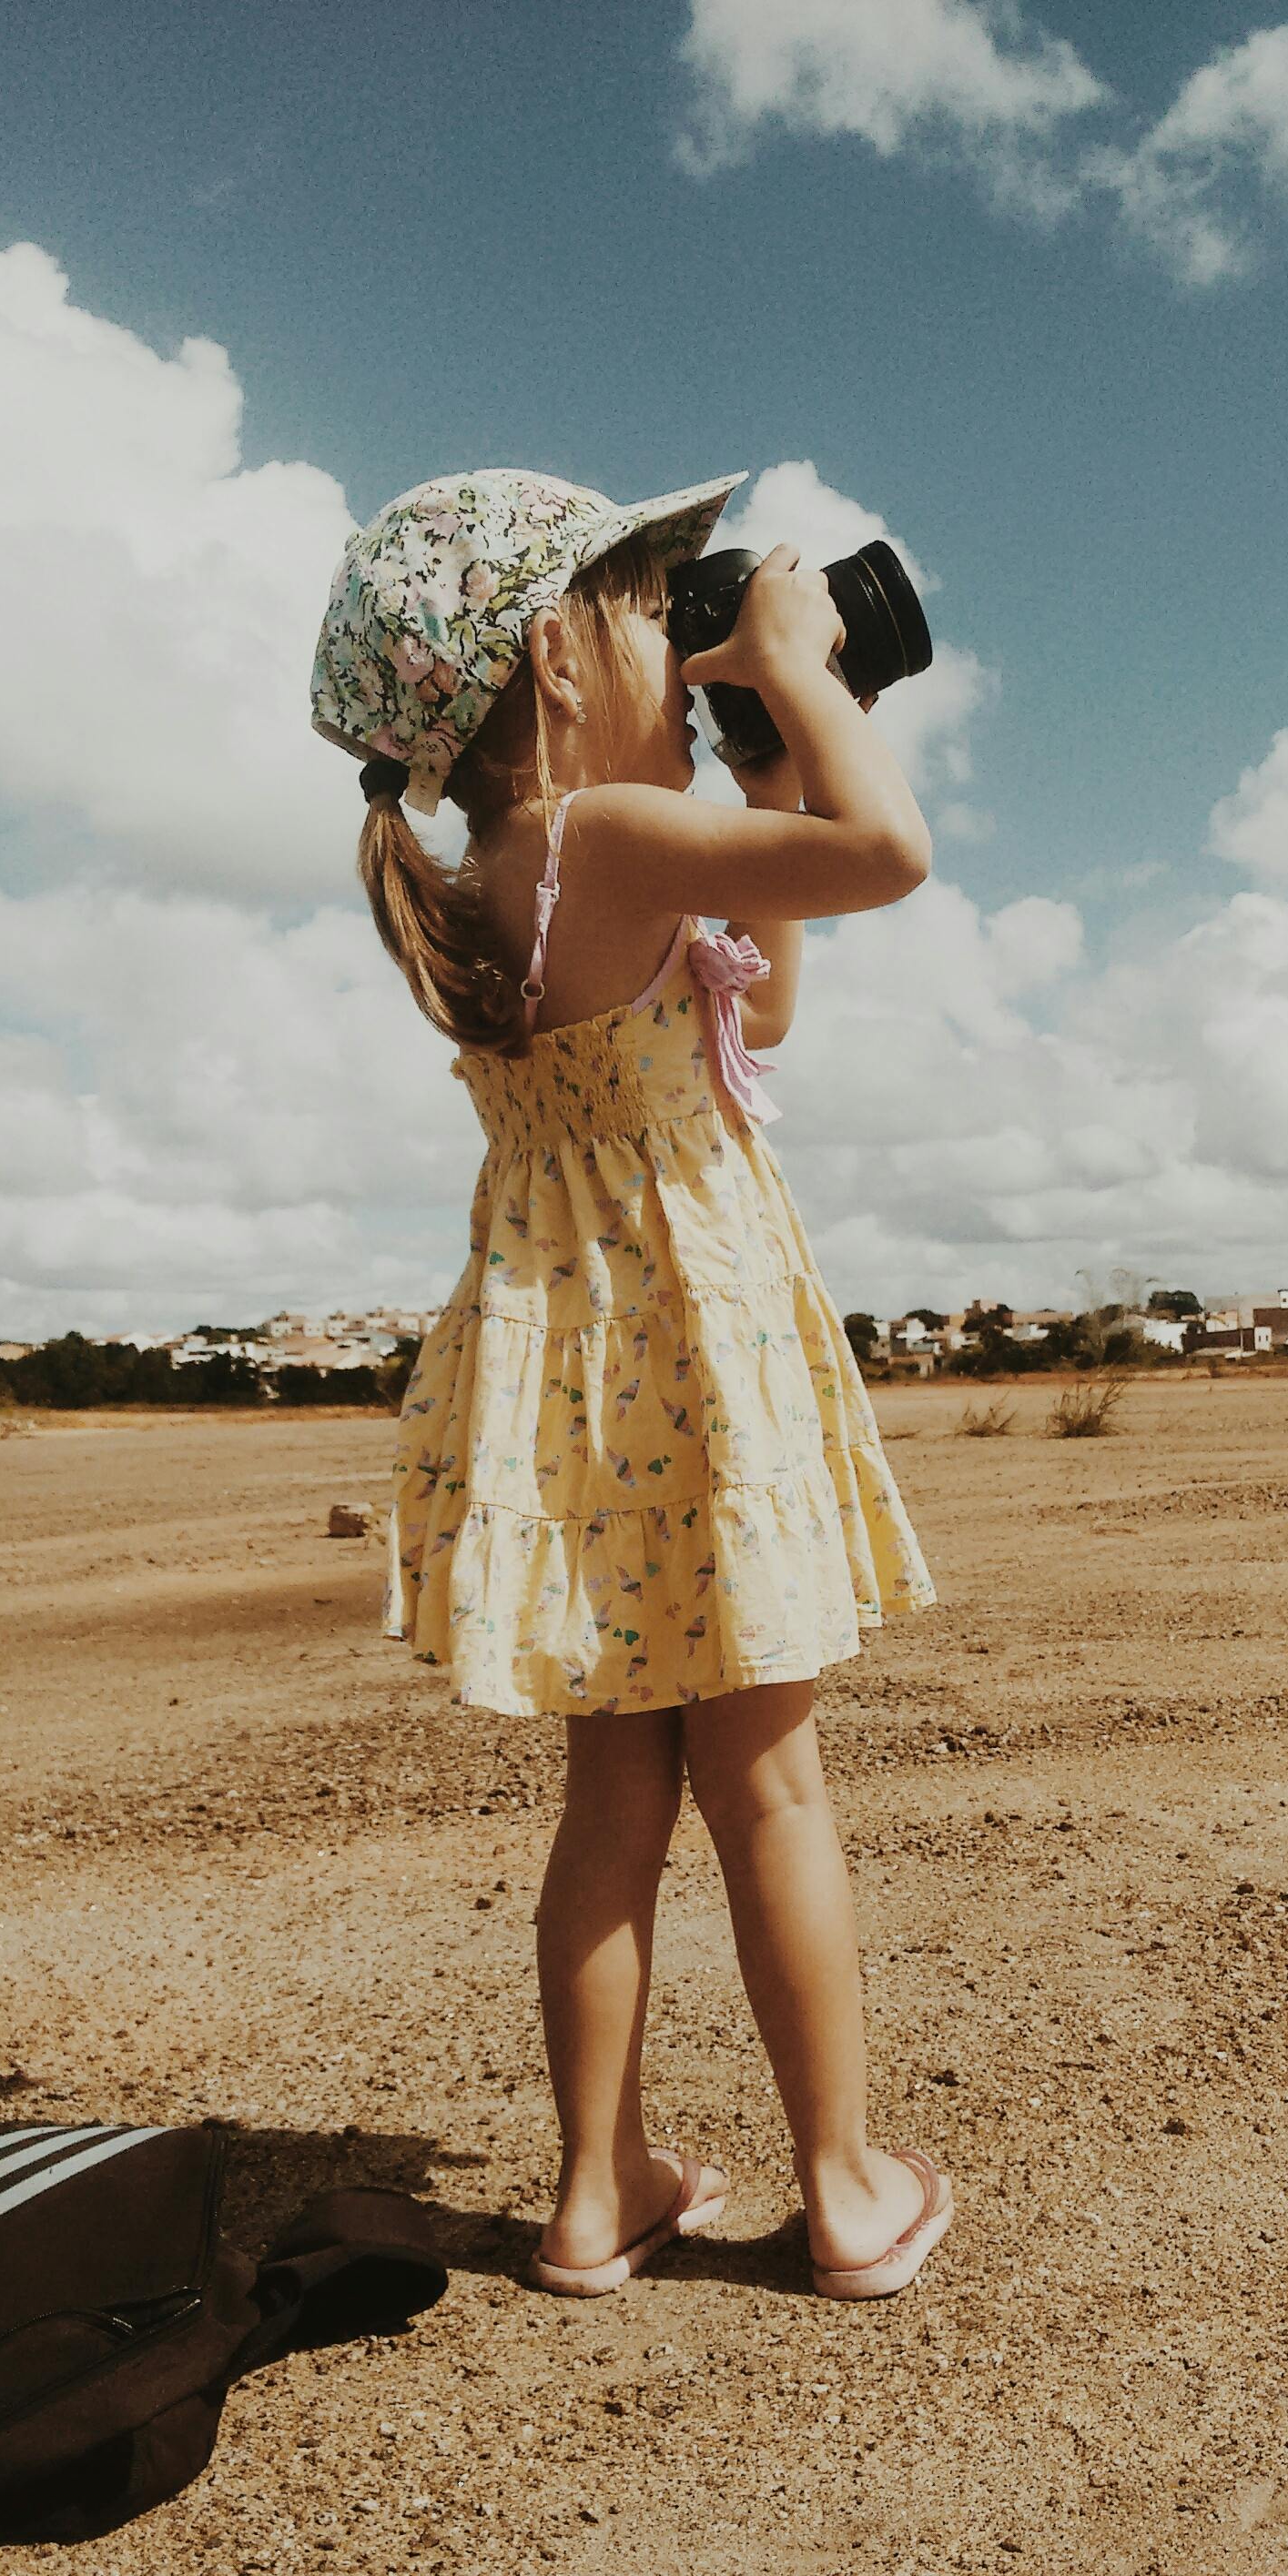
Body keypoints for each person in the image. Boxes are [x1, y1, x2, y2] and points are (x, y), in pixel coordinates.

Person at [311, 469, 952, 2302]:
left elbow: (763, 1019)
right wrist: (808, 671)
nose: (688, 638)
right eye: (651, 603)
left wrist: (759, 794)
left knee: (616, 1803)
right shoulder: (608, 830)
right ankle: (840, 2188)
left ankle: (598, 2194)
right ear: (552, 648)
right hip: (693, 1364)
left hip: (583, 1390)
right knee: (774, 1791)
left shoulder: (503, 872)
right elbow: (895, 854)